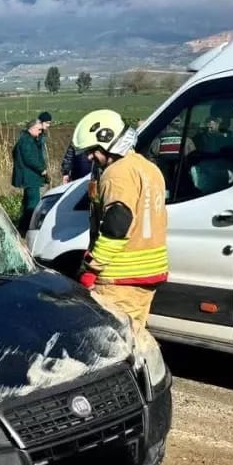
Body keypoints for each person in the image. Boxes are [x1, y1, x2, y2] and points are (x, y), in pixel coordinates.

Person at [71, 108, 169, 331]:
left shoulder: (116, 174)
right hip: (148, 273)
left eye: (93, 150)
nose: (89, 157)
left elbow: (117, 225)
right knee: (135, 334)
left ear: (109, 142)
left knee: (116, 343)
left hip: (120, 277)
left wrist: (91, 268)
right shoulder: (148, 168)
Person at [12, 111, 52, 235]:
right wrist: (42, 169)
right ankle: (27, 229)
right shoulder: (26, 141)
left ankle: (23, 227)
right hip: (30, 177)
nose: (41, 132)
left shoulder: (29, 139)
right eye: (39, 130)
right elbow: (30, 158)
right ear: (33, 128)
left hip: (31, 176)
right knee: (32, 205)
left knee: (29, 203)